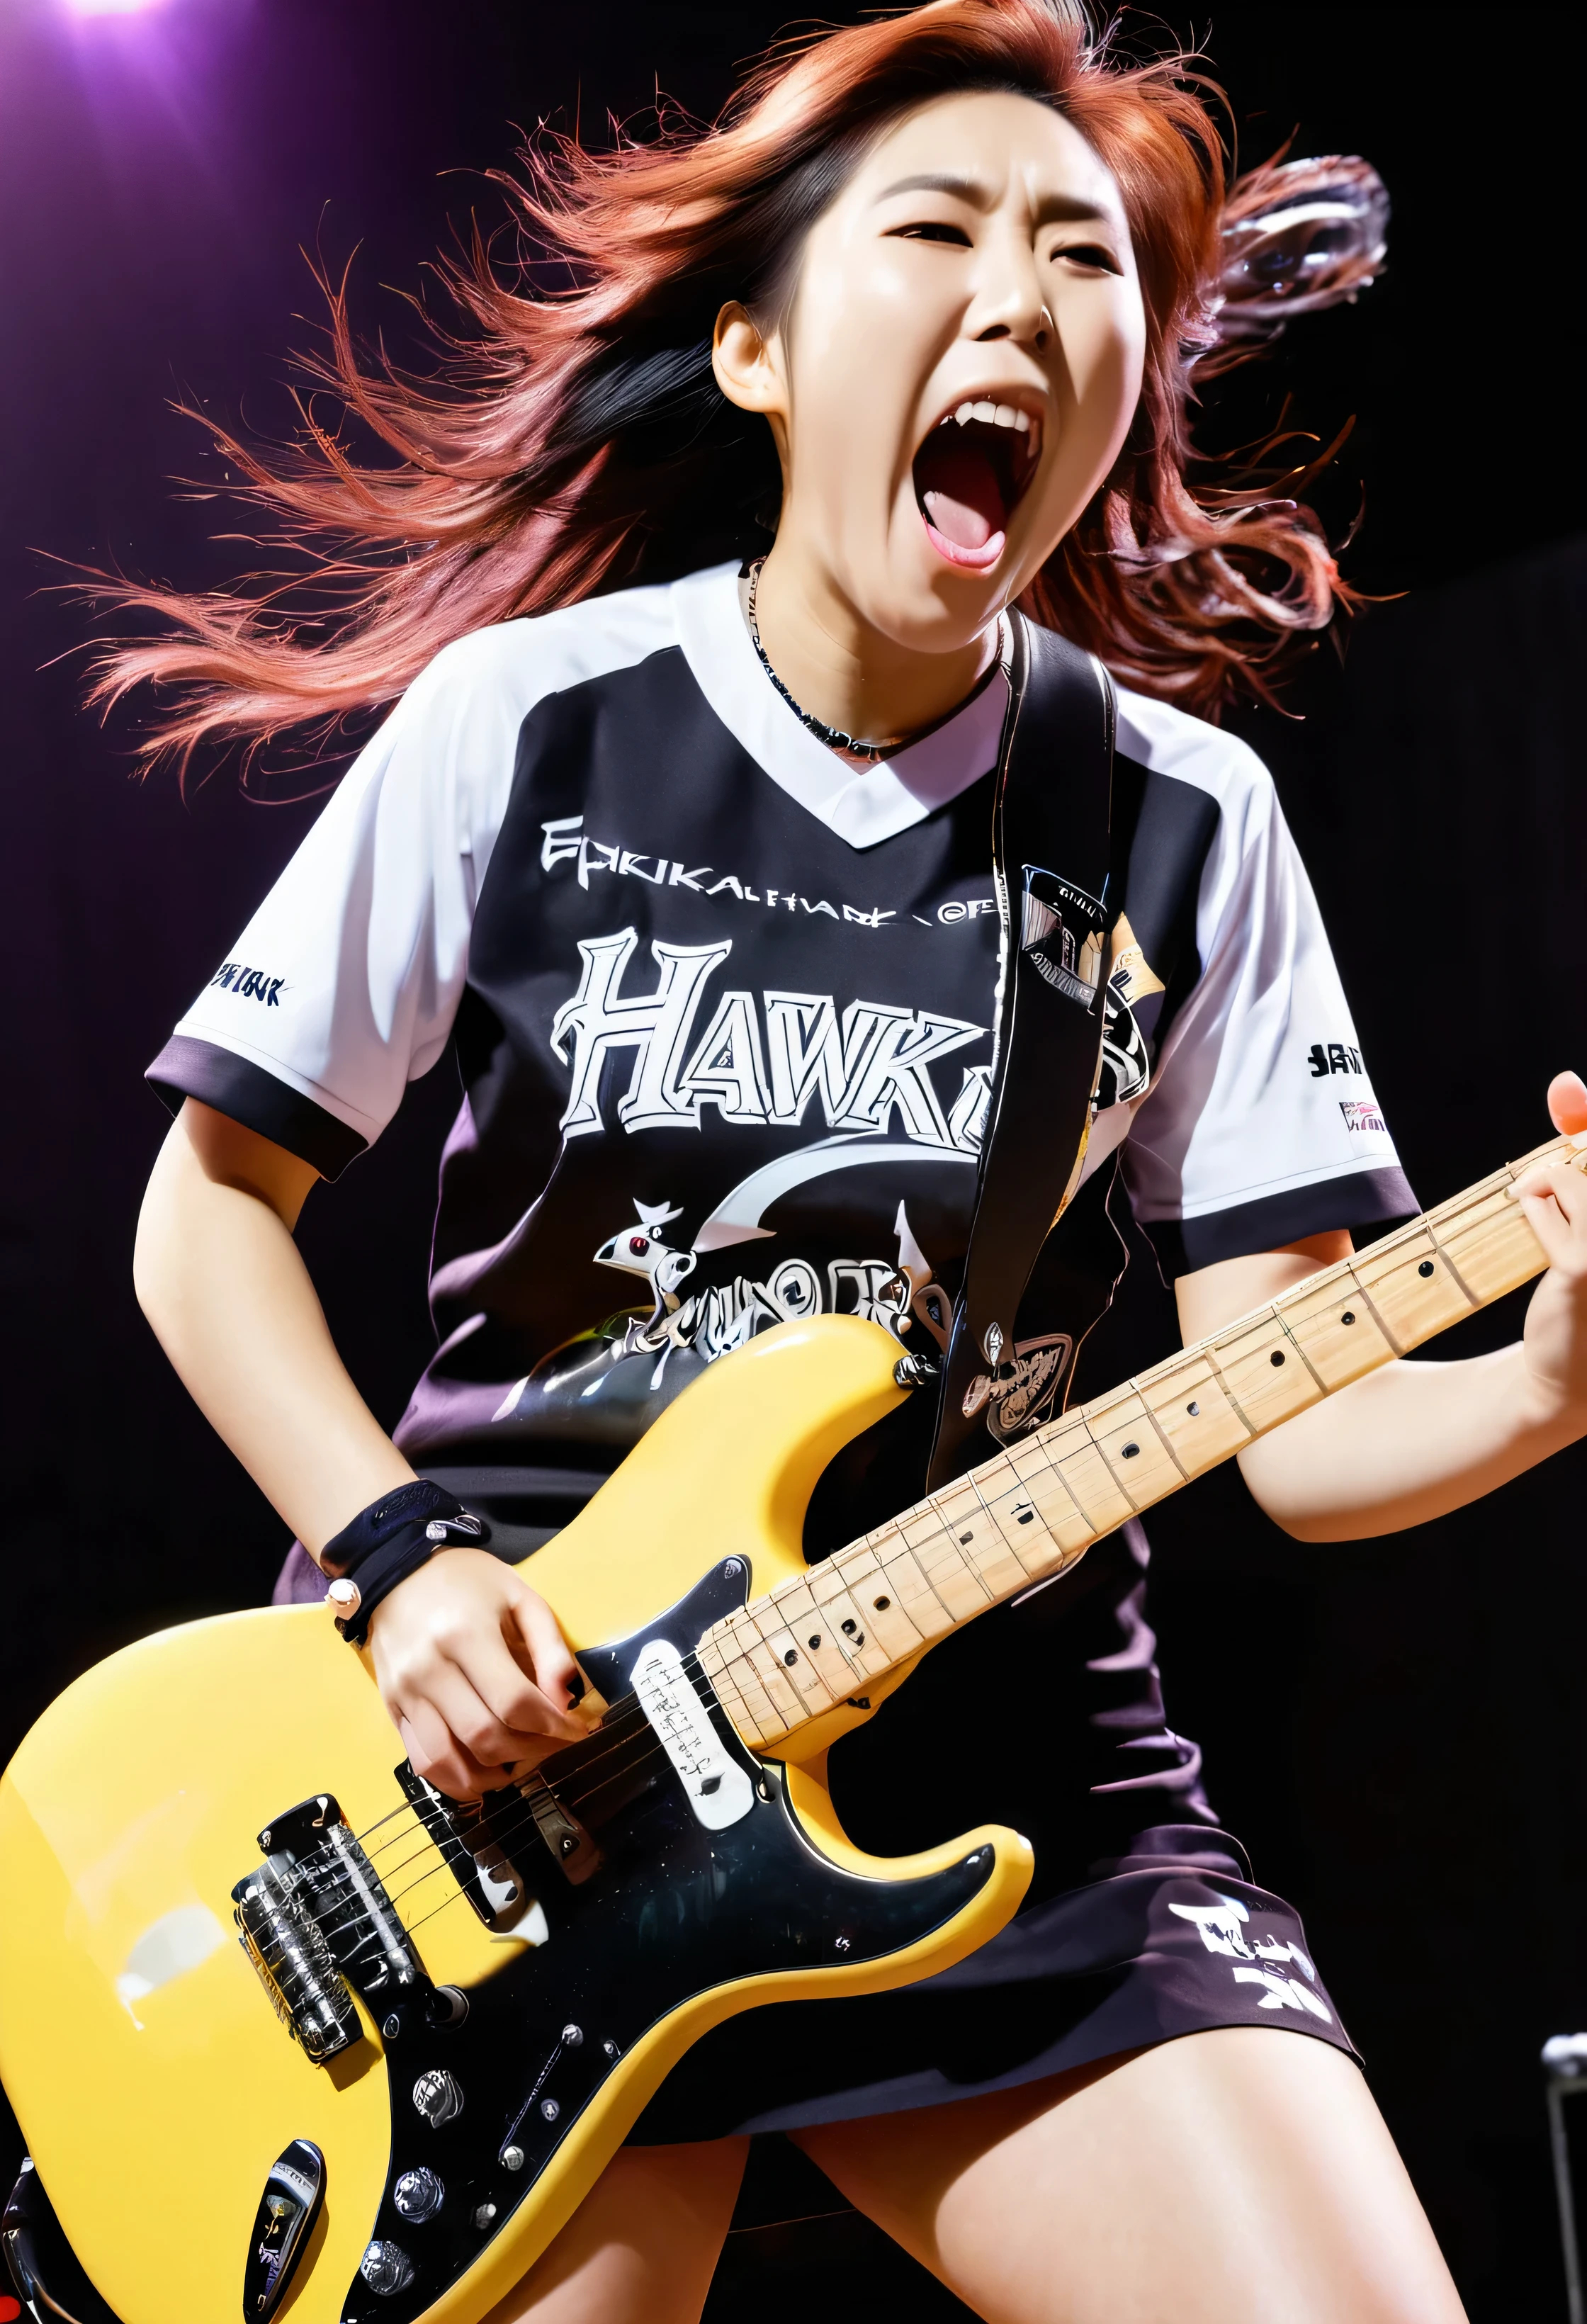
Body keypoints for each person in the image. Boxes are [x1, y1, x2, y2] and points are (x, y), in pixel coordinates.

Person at [113, 4, 1587, 2317]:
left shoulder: (1185, 827)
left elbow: (1298, 1422)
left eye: (1083, 259)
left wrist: (1531, 1385)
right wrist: (400, 1571)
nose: (1022, 296)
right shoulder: (534, 722)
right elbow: (207, 1216)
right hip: (521, 1795)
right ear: (759, 351)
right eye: (939, 231)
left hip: (1017, 1777)